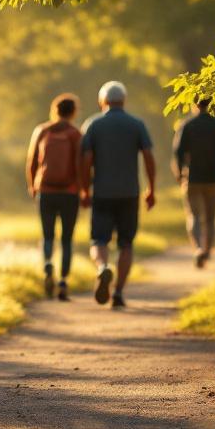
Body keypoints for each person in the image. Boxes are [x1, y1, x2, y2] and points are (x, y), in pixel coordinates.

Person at [79, 81, 156, 309]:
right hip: (129, 193)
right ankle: (119, 292)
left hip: (102, 192)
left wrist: (85, 188)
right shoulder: (136, 124)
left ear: (103, 101)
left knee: (99, 240)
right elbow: (148, 157)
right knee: (126, 244)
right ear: (124, 100)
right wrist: (151, 188)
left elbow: (85, 160)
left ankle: (102, 267)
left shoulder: (92, 125)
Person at [26, 94, 82, 301]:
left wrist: (33, 185)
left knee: (47, 235)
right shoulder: (76, 134)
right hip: (70, 192)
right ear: (73, 112)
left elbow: (32, 160)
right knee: (67, 239)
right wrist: (84, 189)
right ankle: (64, 282)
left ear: (55, 110)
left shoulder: (42, 130)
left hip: (46, 190)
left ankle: (48, 264)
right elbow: (81, 165)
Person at [172, 99, 215, 268]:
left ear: (194, 105)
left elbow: (178, 153)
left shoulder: (187, 125)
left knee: (194, 215)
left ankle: (198, 248)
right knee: (211, 217)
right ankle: (207, 252)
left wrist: (179, 174)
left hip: (193, 179)